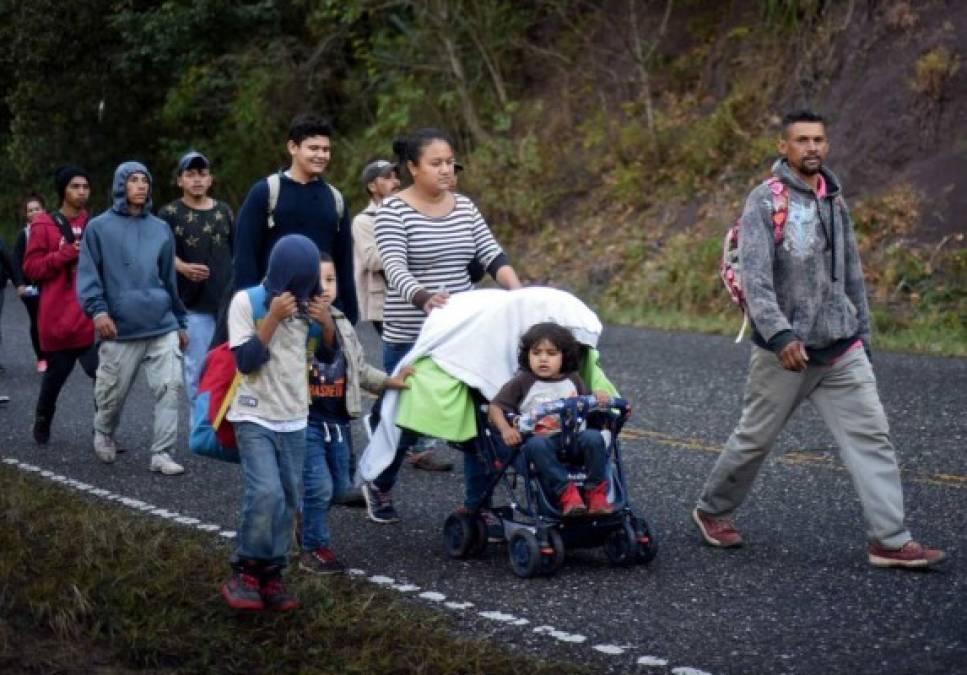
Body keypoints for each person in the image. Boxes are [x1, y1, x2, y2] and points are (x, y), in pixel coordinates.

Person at [692, 110, 946, 569]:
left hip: (841, 347)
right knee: (754, 440)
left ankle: (890, 539)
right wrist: (780, 332)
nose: (812, 147)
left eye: (819, 140)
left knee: (873, 438)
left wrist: (862, 336)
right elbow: (756, 278)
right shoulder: (763, 202)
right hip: (785, 352)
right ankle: (713, 510)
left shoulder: (835, 200)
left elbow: (852, 275)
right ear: (783, 147)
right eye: (802, 140)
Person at [362, 127, 523, 524]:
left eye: (450, 162)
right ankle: (380, 481)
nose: (447, 169)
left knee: (479, 416)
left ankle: (477, 504)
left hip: (464, 331)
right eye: (436, 163)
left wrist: (518, 291)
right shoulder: (392, 211)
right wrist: (423, 297)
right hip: (412, 333)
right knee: (407, 421)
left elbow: (491, 254)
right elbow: (395, 267)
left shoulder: (465, 207)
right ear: (413, 168)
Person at [219, 234, 320, 611]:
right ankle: (246, 569)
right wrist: (274, 318)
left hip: (294, 415)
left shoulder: (309, 309)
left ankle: (272, 572)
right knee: (265, 494)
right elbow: (245, 360)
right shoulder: (248, 301)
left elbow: (324, 355)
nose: (297, 293)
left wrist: (324, 326)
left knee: (289, 498)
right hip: (253, 411)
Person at [300, 253, 413, 574]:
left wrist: (392, 382)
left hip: (338, 422)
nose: (325, 287)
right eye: (316, 280)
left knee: (338, 487)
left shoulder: (343, 322)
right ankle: (314, 547)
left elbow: (359, 371)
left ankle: (302, 511)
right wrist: (319, 326)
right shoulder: (294, 323)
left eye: (331, 279)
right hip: (306, 419)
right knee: (319, 486)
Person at [77, 161, 188, 475]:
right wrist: (98, 311)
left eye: (145, 181)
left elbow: (169, 279)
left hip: (161, 322)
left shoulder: (160, 229)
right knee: (111, 393)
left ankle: (162, 453)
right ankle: (104, 431)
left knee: (170, 386)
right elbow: (88, 275)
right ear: (120, 185)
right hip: (119, 327)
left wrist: (180, 320)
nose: (141, 186)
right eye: (134, 180)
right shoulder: (98, 228)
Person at [233, 113, 358, 325]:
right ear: (293, 147)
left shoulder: (334, 199)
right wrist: (248, 310)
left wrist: (349, 314)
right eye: (313, 148)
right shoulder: (266, 192)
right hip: (274, 311)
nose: (321, 155)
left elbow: (344, 262)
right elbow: (245, 256)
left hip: (321, 312)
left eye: (326, 149)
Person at [488, 322, 612, 516]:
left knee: (594, 438)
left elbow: (589, 404)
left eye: (551, 354)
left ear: (564, 356)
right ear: (527, 355)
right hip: (540, 443)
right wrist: (506, 429)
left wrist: (598, 395)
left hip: (572, 440)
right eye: (536, 353)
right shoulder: (523, 381)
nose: (543, 359)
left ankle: (595, 493)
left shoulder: (574, 379)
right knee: (537, 444)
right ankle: (567, 492)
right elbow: (495, 407)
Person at [23, 167, 98, 444]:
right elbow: (31, 268)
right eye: (75, 186)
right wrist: (63, 255)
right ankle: (42, 420)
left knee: (102, 375)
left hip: (87, 318)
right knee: (55, 379)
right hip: (56, 319)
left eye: (85, 186)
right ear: (63, 190)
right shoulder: (44, 224)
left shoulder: (95, 224)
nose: (81, 191)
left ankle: (102, 431)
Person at [157, 151, 234, 409]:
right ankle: (200, 426)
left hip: (226, 305)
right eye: (190, 174)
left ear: (210, 179)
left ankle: (225, 427)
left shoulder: (224, 211)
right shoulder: (169, 213)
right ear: (180, 181)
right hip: (191, 305)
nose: (197, 179)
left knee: (228, 366)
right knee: (197, 368)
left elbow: (236, 253)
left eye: (202, 174)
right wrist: (182, 267)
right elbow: (159, 254)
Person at [13, 194, 48, 372]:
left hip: (49, 285)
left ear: (44, 210)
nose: (34, 212)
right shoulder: (24, 235)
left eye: (37, 208)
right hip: (30, 287)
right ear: (26, 215)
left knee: (50, 320)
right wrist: (19, 284)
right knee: (36, 320)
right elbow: (15, 261)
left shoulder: (53, 229)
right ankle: (41, 357)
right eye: (30, 210)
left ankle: (54, 354)